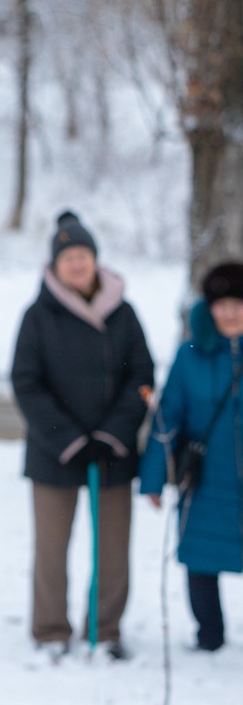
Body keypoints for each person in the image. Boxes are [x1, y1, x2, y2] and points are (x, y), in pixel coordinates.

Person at [10, 210, 154, 662]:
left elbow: (143, 377)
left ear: (95, 259)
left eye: (83, 255)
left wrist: (112, 435)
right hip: (55, 453)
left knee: (114, 550)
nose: (77, 263)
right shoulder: (38, 316)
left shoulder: (123, 313)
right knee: (52, 551)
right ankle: (51, 630)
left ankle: (106, 628)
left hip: (113, 453)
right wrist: (70, 439)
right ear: (55, 264)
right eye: (68, 256)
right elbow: (26, 382)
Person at [139, 262, 243, 652]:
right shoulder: (191, 354)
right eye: (222, 303)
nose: (230, 312)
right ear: (210, 308)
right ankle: (209, 635)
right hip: (206, 477)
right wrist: (153, 478)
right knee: (201, 556)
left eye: (238, 302)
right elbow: (169, 419)